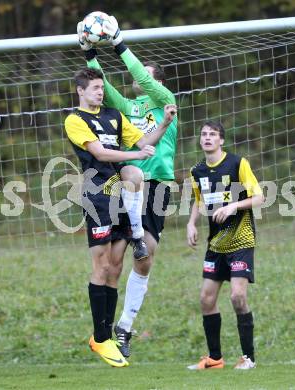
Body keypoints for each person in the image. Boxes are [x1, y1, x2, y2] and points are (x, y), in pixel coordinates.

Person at [77, 15, 178, 358]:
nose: (140, 80)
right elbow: (104, 86)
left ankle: (126, 325)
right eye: (140, 76)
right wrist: (90, 53)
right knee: (117, 261)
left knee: (146, 258)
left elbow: (140, 78)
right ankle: (108, 331)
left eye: (147, 76)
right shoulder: (126, 107)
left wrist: (119, 43)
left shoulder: (164, 99)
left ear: (158, 83)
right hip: (126, 182)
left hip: (158, 184)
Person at [186, 120, 264, 370]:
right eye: (204, 134)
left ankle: (248, 358)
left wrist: (233, 205)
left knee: (238, 297)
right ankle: (215, 358)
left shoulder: (237, 163)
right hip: (216, 245)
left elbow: (260, 196)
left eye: (213, 134)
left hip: (241, 240)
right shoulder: (196, 171)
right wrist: (191, 224)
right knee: (206, 299)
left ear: (221, 140)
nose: (207, 138)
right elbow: (199, 201)